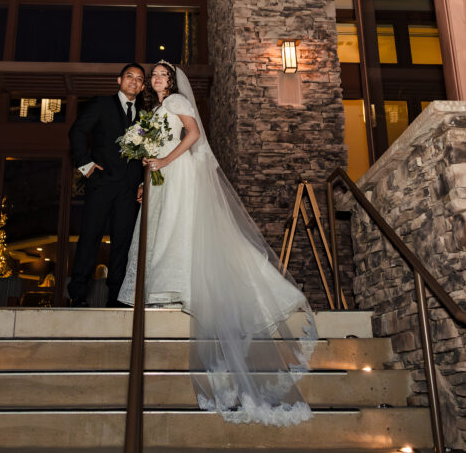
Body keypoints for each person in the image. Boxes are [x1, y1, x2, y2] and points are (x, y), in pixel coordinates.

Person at [118, 61, 317, 426]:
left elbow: (192, 135)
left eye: (164, 75)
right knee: (168, 229)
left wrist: (164, 159)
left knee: (182, 227)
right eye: (156, 76)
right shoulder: (158, 109)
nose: (159, 79)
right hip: (164, 173)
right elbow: (160, 142)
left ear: (173, 80)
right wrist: (149, 173)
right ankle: (174, 286)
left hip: (178, 171)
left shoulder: (177, 101)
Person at [67, 63, 146, 307]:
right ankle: (77, 294)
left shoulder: (145, 115)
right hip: (101, 183)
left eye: (139, 79)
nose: (134, 81)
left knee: (123, 242)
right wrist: (86, 165)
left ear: (143, 86)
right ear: (119, 80)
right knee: (90, 237)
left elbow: (147, 151)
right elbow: (77, 132)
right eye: (129, 77)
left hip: (130, 188)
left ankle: (116, 298)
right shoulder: (101, 104)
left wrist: (143, 182)